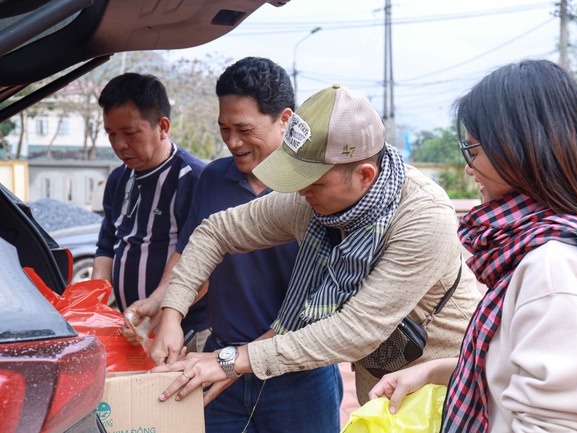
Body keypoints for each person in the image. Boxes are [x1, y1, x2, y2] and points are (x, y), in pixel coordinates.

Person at [151, 83, 481, 409]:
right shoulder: (309, 200)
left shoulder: (423, 217)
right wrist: (172, 313)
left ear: (364, 175)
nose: (301, 192)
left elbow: (357, 329)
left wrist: (230, 359)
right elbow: (215, 231)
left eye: (313, 182)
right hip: (380, 386)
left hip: (445, 387)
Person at [369, 59, 577, 432]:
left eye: (474, 150)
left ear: (519, 150)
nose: (469, 168)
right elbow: (527, 367)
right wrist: (433, 371)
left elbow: (557, 424)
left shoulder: (551, 269)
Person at [126, 57, 343, 433]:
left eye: (243, 129)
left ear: (285, 119)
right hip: (218, 365)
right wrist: (162, 306)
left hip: (299, 375)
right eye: (224, 128)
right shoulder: (212, 178)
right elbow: (194, 258)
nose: (232, 141)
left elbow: (329, 301)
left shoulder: (317, 189)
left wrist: (245, 357)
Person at [93, 73, 208, 349]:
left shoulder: (193, 179)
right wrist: (94, 304)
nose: (119, 145)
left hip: (182, 332)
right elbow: (106, 248)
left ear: (163, 126)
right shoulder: (119, 179)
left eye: (130, 133)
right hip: (132, 327)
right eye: (111, 134)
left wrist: (157, 311)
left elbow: (196, 261)